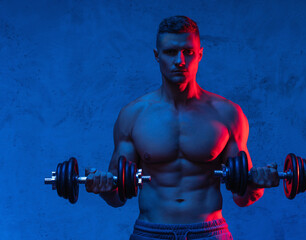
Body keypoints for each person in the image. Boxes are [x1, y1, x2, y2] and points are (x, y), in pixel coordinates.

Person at [85, 16, 279, 240]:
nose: (180, 60)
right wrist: (101, 186)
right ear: (157, 56)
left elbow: (243, 197)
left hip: (209, 232)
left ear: (200, 54)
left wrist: (259, 184)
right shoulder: (133, 115)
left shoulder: (227, 114)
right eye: (170, 52)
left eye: (188, 52)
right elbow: (118, 196)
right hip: (151, 233)